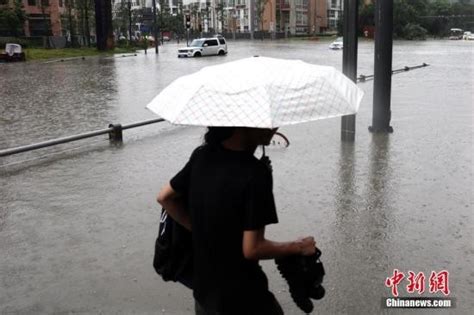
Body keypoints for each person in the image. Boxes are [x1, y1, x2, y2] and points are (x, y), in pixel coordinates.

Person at [157, 127, 316, 315]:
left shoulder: (202, 155)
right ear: (243, 125)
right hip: (244, 298)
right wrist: (298, 247)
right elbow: (253, 249)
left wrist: (202, 230)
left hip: (205, 295)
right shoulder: (255, 173)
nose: (274, 127)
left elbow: (165, 198)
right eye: (265, 121)